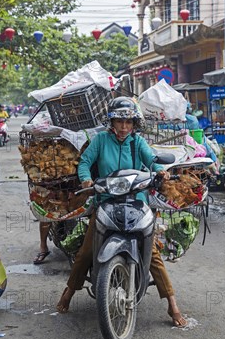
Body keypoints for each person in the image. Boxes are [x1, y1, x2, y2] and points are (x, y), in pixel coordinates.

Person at [56, 97, 187, 327]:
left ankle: (172, 304)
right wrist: (86, 180)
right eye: (119, 121)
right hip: (106, 200)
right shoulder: (101, 141)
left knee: (152, 252)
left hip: (136, 202)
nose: (124, 126)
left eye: (128, 122)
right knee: (87, 251)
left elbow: (152, 160)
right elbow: (85, 162)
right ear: (112, 122)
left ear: (134, 124)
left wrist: (160, 171)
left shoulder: (137, 142)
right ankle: (68, 291)